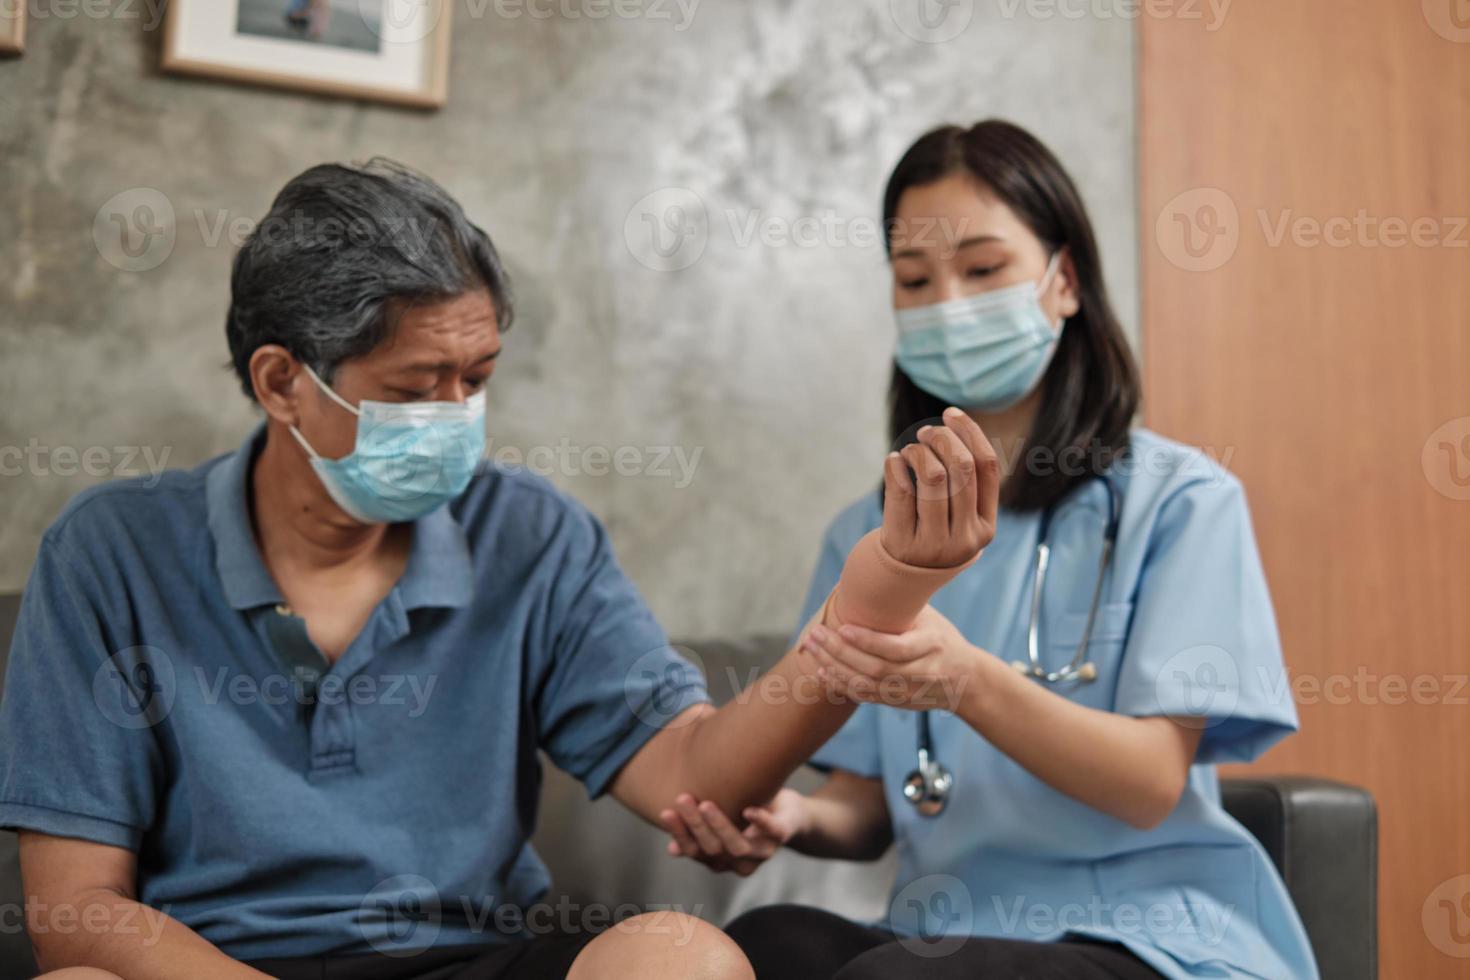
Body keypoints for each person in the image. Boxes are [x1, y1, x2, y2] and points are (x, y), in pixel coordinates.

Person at [0, 159, 1000, 979]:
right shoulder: (111, 551)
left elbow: (700, 774)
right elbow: (75, 909)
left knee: (680, 955)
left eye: (473, 381)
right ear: (280, 382)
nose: (453, 418)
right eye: (411, 389)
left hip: (474, 961)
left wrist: (884, 585)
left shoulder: (530, 536)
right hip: (216, 966)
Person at [659, 121, 1319, 980]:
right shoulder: (872, 535)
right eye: (914, 280)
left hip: (1152, 935)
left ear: (1064, 282)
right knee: (766, 946)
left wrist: (967, 680)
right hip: (950, 931)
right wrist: (792, 819)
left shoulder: (1181, 501)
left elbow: (1152, 783)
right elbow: (870, 804)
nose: (949, 305)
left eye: (982, 270)